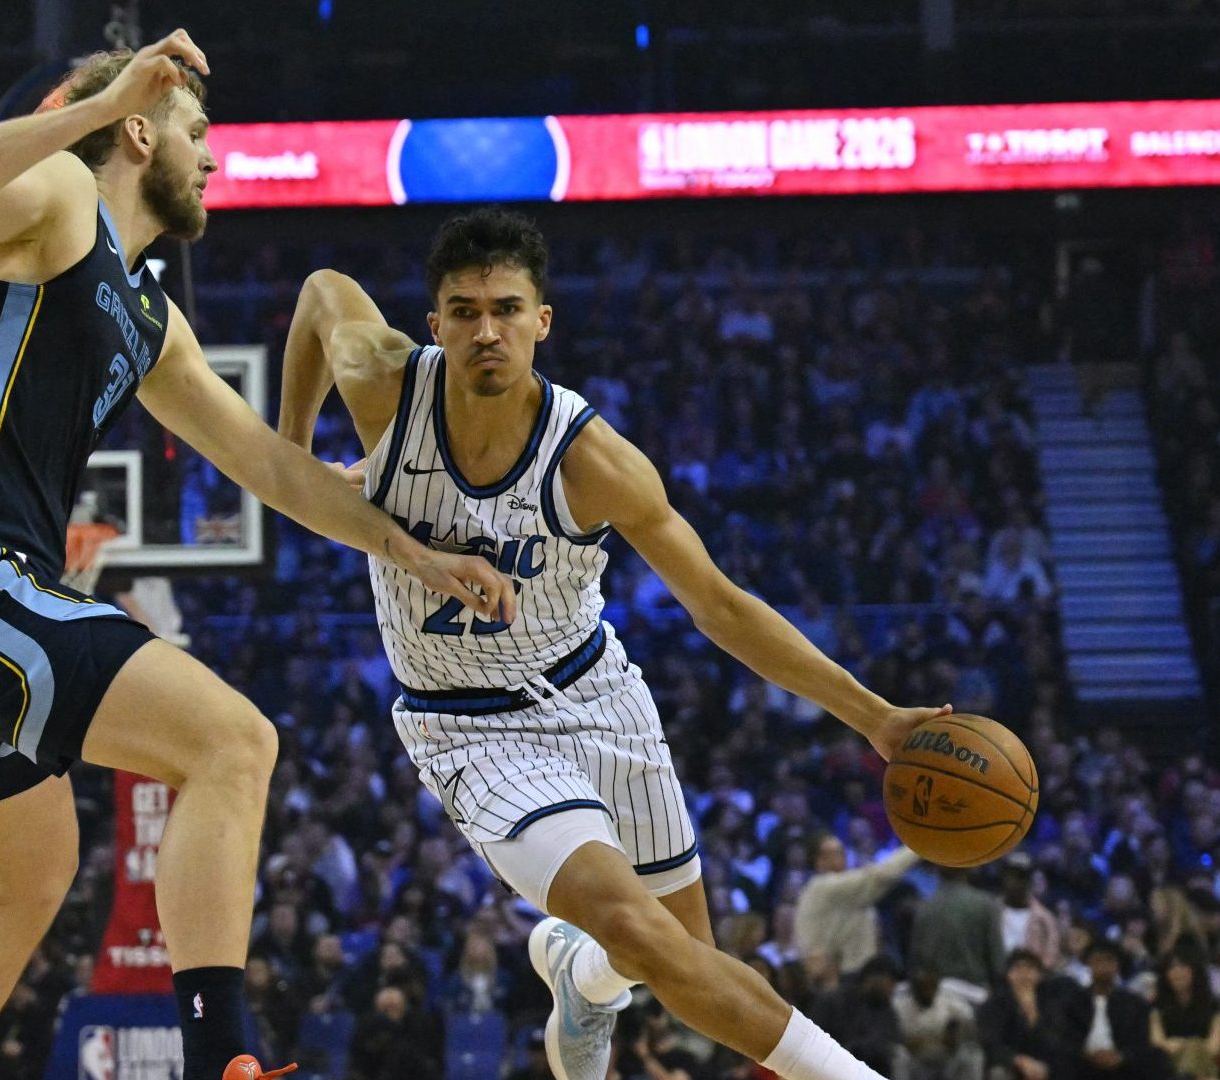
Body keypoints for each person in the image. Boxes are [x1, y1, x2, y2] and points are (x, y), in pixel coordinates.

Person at [0, 32, 511, 1080]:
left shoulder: (149, 318)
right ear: (139, 131)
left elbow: (272, 471)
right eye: (197, 132)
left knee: (35, 869)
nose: (213, 158)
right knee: (232, 744)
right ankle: (221, 1063)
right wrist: (95, 104)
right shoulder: (58, 194)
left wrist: (415, 553)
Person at [277, 207, 951, 1080]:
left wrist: (876, 718)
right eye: (467, 309)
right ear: (435, 323)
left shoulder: (593, 461)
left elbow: (721, 606)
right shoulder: (386, 387)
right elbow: (322, 294)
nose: (488, 330)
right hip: (470, 726)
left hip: (599, 697)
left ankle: (578, 974)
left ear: (542, 323)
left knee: (679, 958)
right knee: (644, 934)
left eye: (509, 309)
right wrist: (289, 460)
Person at [797, 835, 921, 983]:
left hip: (859, 972)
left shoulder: (844, 888)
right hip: (842, 977)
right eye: (831, 853)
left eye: (841, 851)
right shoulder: (823, 886)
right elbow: (878, 876)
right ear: (817, 860)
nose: (840, 856)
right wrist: (918, 846)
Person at [1062, 940, 1164, 1080]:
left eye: (1109, 961)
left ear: (1117, 965)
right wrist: (1087, 1055)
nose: (1103, 966)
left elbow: (1141, 1042)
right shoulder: (1073, 1002)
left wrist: (1121, 1057)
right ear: (1089, 964)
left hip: (1123, 1065)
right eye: (1098, 961)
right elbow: (1066, 1040)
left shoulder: (1134, 1003)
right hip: (1082, 1064)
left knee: (1156, 1057)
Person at [913, 866, 1005, 1005]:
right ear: (969, 868)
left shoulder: (925, 907)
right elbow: (997, 962)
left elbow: (916, 962)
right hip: (976, 995)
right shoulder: (985, 905)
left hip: (935, 997)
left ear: (938, 869)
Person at [976, 950, 1072, 1080]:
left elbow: (1055, 1043)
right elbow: (991, 1044)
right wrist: (1019, 1060)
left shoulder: (1051, 1006)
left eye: (1030, 968)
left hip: (1045, 1066)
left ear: (1040, 975)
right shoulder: (993, 1005)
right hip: (1009, 1065)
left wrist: (1032, 1013)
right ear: (1008, 974)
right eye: (1018, 967)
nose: (1024, 974)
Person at [1151, 950, 1220, 1079]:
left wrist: (1189, 1045)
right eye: (1172, 968)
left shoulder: (1213, 1006)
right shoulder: (1157, 1006)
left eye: (1183, 966)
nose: (1177, 972)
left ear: (1195, 971)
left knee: (1194, 1050)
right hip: (1169, 1066)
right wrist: (1191, 1046)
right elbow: (1158, 1044)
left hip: (1205, 1064)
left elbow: (1215, 1047)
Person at [998, 854, 1060, 972]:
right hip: (996, 977)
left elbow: (1051, 955)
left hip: (1032, 980)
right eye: (1011, 876)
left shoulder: (1044, 919)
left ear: (1029, 881)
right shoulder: (991, 912)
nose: (1015, 882)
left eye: (1021, 877)